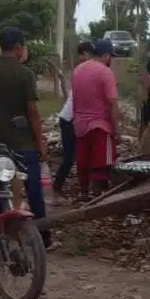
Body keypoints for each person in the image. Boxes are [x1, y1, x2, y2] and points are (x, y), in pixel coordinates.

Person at [0, 27, 56, 250]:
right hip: (23, 143)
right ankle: (43, 237)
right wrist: (40, 144)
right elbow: (32, 112)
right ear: (19, 47)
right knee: (33, 188)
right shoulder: (24, 74)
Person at [72, 38, 121, 201]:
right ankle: (97, 197)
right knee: (101, 163)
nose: (111, 60)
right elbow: (113, 104)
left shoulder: (77, 70)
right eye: (110, 57)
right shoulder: (105, 72)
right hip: (100, 125)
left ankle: (83, 193)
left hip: (80, 124)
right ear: (106, 55)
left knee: (84, 161)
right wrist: (117, 130)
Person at [53, 41, 93, 197]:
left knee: (76, 155)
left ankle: (79, 186)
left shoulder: (81, 71)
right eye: (85, 55)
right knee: (70, 157)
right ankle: (57, 186)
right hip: (69, 119)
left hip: (72, 118)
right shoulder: (81, 72)